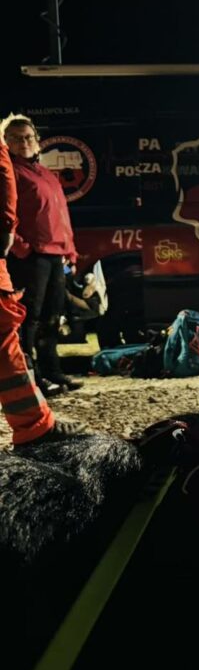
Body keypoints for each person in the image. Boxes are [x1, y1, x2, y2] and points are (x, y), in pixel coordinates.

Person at [0, 124, 81, 445]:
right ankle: (35, 390)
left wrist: (70, 249)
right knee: (23, 322)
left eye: (29, 137)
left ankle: (51, 372)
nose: (24, 142)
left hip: (55, 252)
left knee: (51, 316)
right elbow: (8, 207)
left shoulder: (45, 174)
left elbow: (59, 213)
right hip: (31, 257)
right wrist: (19, 246)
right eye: (16, 138)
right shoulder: (12, 169)